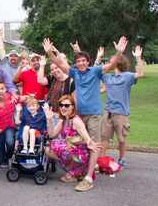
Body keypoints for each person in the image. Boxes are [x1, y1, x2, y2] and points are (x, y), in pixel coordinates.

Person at [43, 36, 128, 192]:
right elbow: (59, 63)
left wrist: (119, 53)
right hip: (79, 115)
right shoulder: (74, 73)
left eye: (84, 61)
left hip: (94, 114)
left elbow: (110, 65)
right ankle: (78, 171)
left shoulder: (95, 71)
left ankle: (88, 177)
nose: (81, 63)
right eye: (78, 61)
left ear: (88, 62)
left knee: (93, 144)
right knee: (76, 143)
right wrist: (50, 53)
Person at [99, 46, 145, 166]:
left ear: (118, 63)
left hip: (121, 114)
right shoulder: (108, 77)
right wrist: (98, 58)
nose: (109, 63)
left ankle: (122, 158)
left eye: (111, 61)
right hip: (108, 112)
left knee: (121, 138)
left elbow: (140, 73)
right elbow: (97, 71)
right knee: (104, 139)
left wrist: (138, 57)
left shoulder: (128, 76)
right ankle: (102, 160)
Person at [44, 95, 100, 184]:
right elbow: (51, 134)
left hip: (81, 154)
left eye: (66, 105)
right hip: (72, 150)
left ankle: (80, 170)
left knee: (57, 145)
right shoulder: (63, 120)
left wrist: (89, 142)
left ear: (72, 107)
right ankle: (74, 172)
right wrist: (49, 120)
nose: (63, 108)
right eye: (61, 105)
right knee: (48, 149)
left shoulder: (76, 121)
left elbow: (86, 138)